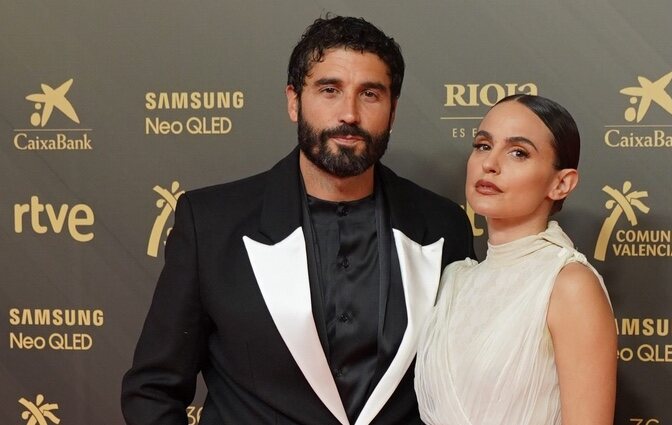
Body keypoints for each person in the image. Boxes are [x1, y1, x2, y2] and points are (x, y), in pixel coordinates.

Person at [121, 15, 475, 425]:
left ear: (393, 110)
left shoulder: (444, 225)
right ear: (294, 101)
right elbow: (152, 390)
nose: (349, 114)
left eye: (371, 95)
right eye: (329, 90)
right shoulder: (211, 223)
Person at [415, 94, 617, 425]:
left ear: (561, 183)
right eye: (482, 145)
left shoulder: (568, 284)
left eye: (518, 152)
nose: (490, 163)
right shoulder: (455, 279)